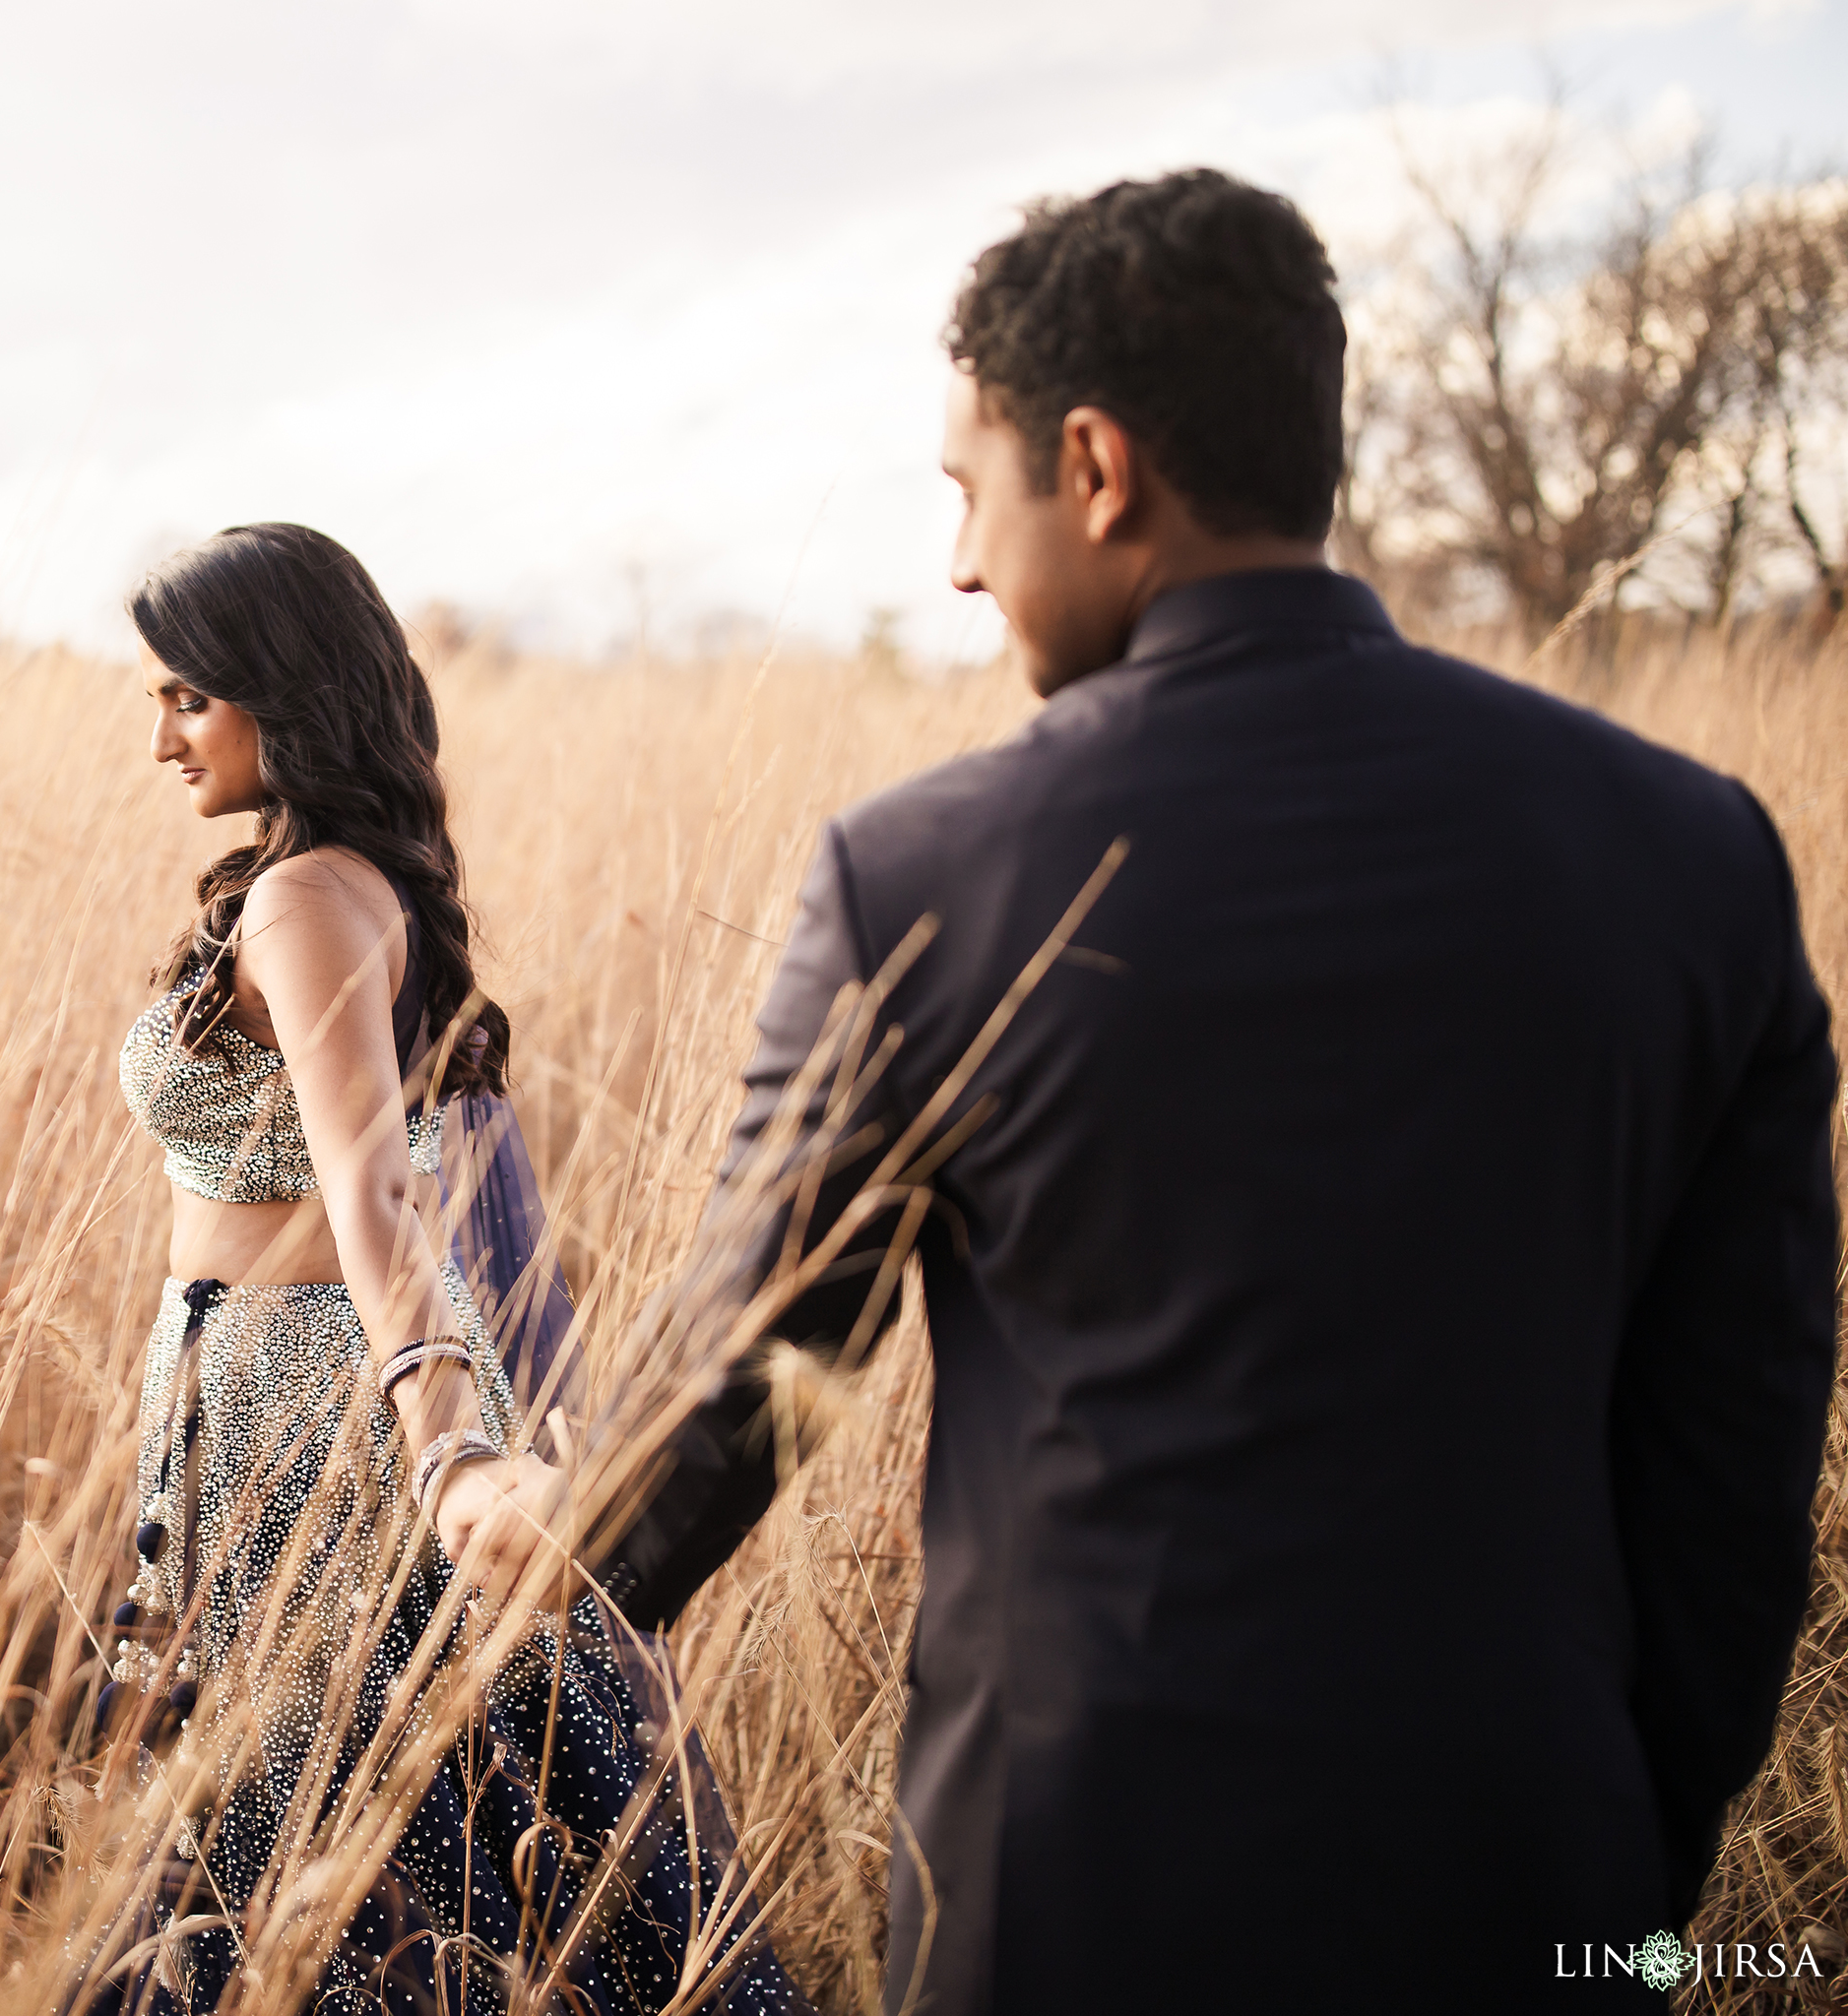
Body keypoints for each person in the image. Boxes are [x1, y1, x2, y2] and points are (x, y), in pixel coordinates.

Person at [495, 172, 1841, 2010]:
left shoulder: (925, 876)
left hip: (1071, 1898)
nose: (961, 565)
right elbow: (1737, 1463)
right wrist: (1619, 1863)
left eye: (970, 494)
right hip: (1533, 1875)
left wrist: (543, 1539)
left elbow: (752, 1385)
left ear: (1099, 469)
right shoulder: (1696, 853)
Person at [89, 523, 803, 2016]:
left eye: (186, 699)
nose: (159, 737)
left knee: (329, 1805)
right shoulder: (332, 879)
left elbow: (369, 1176)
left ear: (276, 690)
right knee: (410, 1788)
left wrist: (450, 1446)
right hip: (273, 1377)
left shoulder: (300, 899)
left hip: (308, 1398)